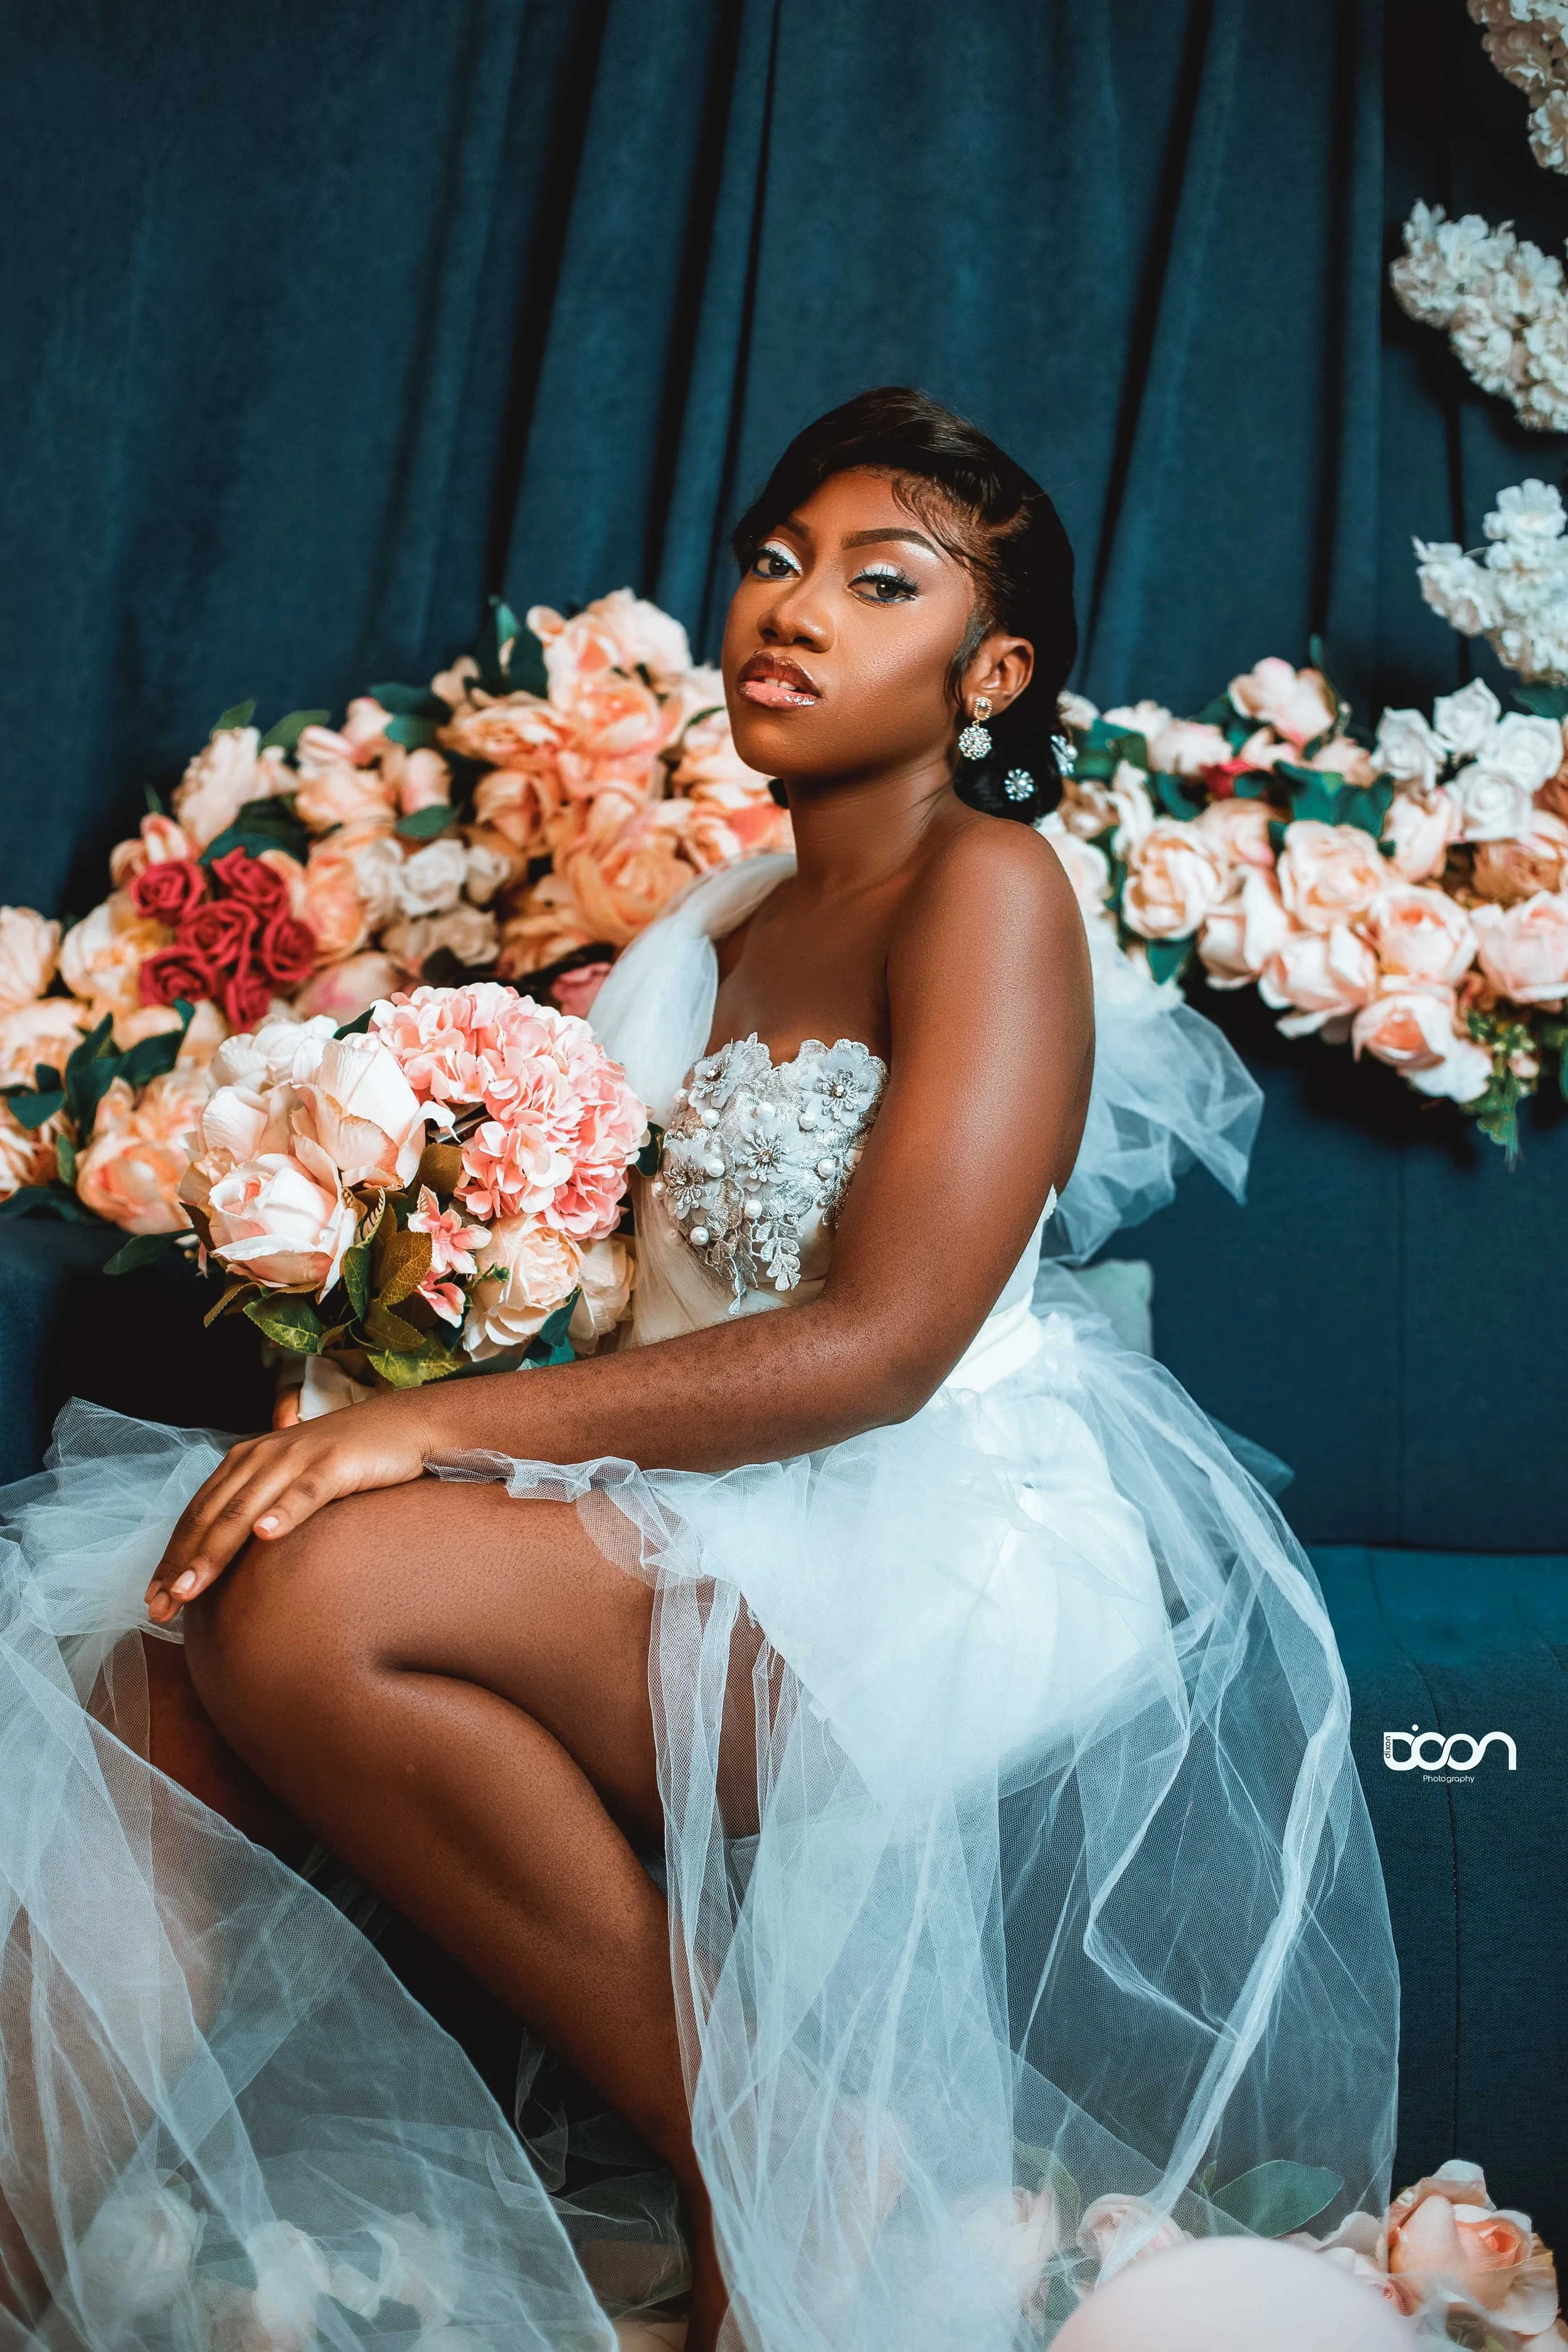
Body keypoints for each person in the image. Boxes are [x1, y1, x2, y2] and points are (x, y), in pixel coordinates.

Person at [0, 389, 1398, 2352]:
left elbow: (884, 1344)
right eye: (770, 559)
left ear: (988, 671)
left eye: (876, 580)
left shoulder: (987, 890)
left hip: (918, 1534)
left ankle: (779, 2145)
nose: (792, 610)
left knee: (312, 1602)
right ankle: (39, 2263)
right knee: (167, 1640)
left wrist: (424, 1433)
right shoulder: (726, 912)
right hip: (696, 1485)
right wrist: (383, 1347)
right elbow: (624, 1300)